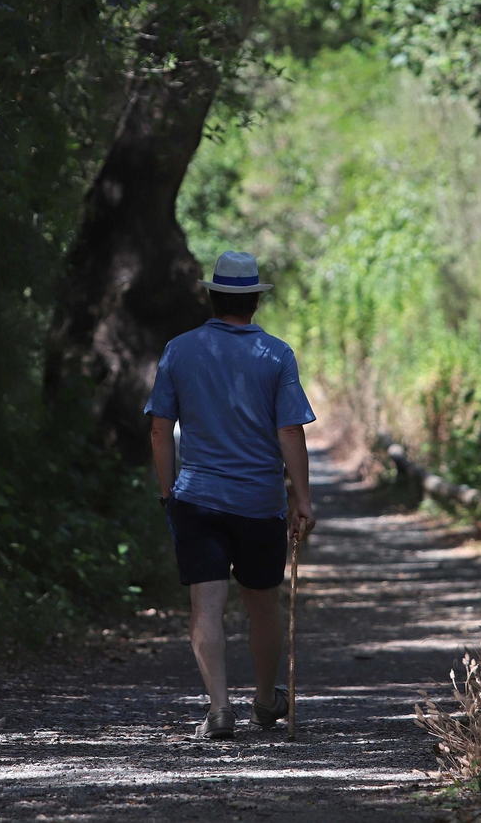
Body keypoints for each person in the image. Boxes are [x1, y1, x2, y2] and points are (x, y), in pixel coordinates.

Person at [145, 250, 317, 740]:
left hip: (196, 497)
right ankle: (265, 704)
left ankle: (219, 710)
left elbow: (160, 430)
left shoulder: (179, 350)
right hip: (259, 502)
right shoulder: (277, 355)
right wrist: (302, 498)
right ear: (254, 302)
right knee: (262, 603)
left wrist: (168, 494)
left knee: (206, 605)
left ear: (212, 295)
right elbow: (290, 431)